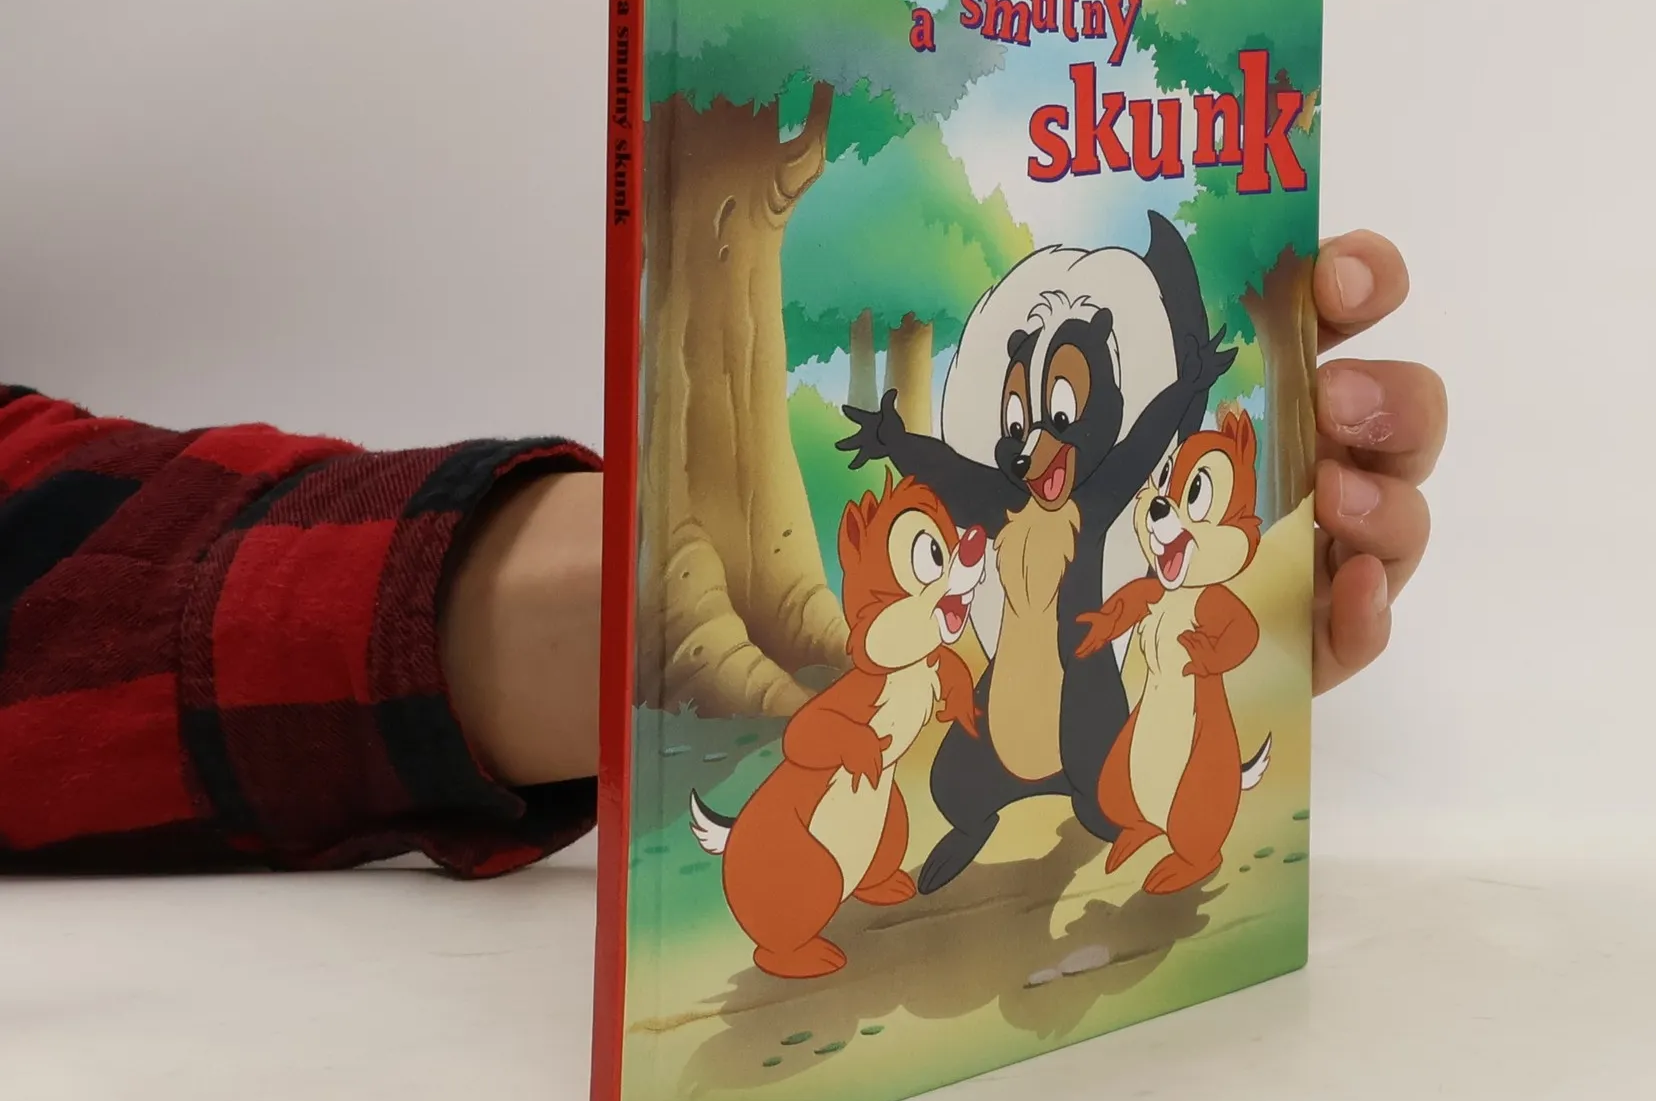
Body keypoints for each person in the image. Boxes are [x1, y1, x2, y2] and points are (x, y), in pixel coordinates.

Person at [0, 231, 1443, 876]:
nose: (1044, 429)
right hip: (977, 718)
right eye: (1028, 398)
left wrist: (1208, 381)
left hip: (1066, 705)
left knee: (1084, 776)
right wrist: (892, 447)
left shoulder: (1100, 491)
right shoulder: (997, 494)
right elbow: (951, 473)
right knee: (958, 792)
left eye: (1072, 401)